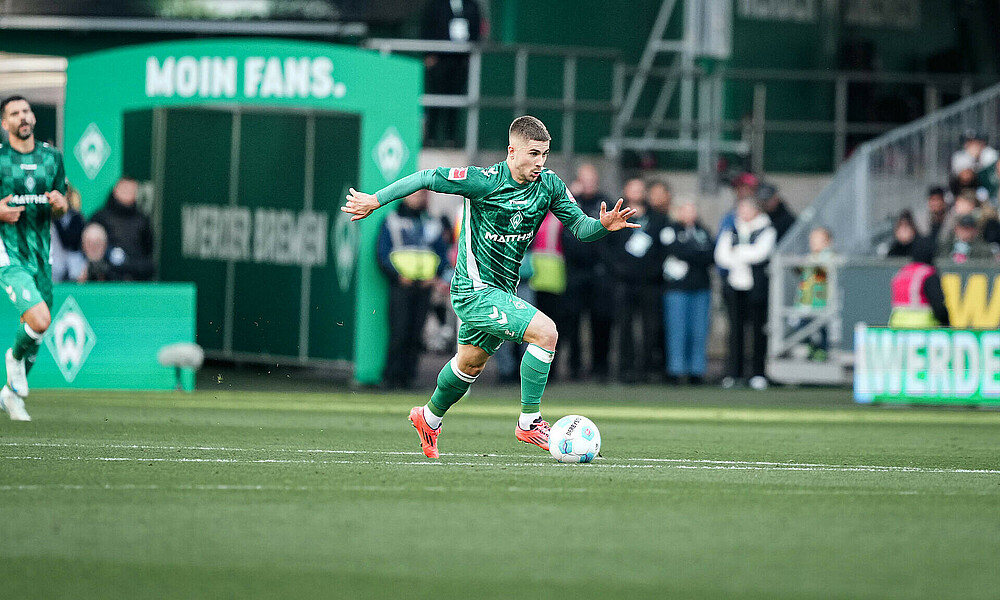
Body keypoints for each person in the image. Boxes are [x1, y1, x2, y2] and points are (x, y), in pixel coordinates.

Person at [342, 116, 639, 458]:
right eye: (533, 153)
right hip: (474, 291)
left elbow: (582, 229)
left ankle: (429, 416)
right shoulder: (483, 181)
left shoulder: (550, 186)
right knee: (547, 332)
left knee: (469, 364)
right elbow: (426, 177)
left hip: (504, 293)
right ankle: (529, 422)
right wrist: (375, 200)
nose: (540, 162)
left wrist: (602, 224)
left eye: (544, 154)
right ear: (512, 152)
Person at [0, 95, 69, 421]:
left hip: (43, 255)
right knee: (40, 320)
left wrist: (60, 204)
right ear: (5, 124)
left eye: (26, 111)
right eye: (14, 113)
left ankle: (10, 395)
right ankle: (12, 359)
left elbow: (64, 203)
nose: (22, 117)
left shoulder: (52, 157)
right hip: (9, 254)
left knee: (37, 332)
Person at [377, 190, 451, 389]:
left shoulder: (432, 223)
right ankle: (392, 377)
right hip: (401, 285)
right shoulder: (392, 221)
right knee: (399, 332)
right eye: (416, 195)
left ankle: (409, 377)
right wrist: (397, 276)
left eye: (423, 196)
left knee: (416, 333)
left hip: (424, 286)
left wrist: (435, 276)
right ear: (405, 196)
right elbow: (382, 253)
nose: (420, 199)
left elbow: (442, 255)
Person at [606, 178, 666, 383]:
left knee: (650, 326)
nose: (637, 192)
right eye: (633, 188)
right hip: (623, 281)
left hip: (650, 282)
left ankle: (647, 369)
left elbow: (663, 250)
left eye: (641, 189)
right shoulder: (615, 217)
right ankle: (625, 370)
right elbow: (606, 246)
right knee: (624, 327)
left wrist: (653, 271)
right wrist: (618, 268)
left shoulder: (657, 219)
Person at [714, 197, 776, 391]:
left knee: (758, 331)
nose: (743, 213)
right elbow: (722, 257)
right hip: (734, 286)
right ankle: (734, 373)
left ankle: (758, 373)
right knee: (735, 331)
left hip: (756, 288)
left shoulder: (766, 229)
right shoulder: (731, 229)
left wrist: (737, 252)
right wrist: (741, 255)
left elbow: (760, 254)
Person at [562, 163, 614, 381]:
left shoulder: (606, 202)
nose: (589, 183)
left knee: (601, 321)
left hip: (599, 274)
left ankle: (600, 368)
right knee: (572, 322)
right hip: (574, 272)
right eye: (585, 179)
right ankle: (574, 367)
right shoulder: (571, 203)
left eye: (592, 178)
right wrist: (571, 195)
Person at [660, 201, 713, 384]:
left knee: (699, 331)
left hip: (701, 287)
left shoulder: (702, 231)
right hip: (678, 288)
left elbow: (710, 254)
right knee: (677, 330)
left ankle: (696, 371)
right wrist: (696, 252)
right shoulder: (670, 229)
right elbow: (677, 250)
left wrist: (694, 252)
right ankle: (676, 370)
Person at [421, 0, 484, 147]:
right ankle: (430, 137)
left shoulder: (471, 5)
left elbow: (476, 30)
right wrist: (429, 53)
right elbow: (427, 26)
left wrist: (469, 55)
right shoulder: (436, 4)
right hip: (439, 58)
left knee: (456, 98)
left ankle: (451, 138)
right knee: (435, 97)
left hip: (460, 60)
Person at [88, 176, 155, 281]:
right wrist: (109, 253)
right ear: (115, 190)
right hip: (108, 268)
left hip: (134, 267)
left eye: (131, 190)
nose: (127, 193)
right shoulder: (101, 216)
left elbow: (148, 247)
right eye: (124, 189)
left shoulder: (142, 220)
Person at [889, 236, 949, 328]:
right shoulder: (928, 274)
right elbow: (939, 307)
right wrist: (947, 325)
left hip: (897, 327)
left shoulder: (902, 273)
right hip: (921, 329)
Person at [795, 227, 834, 361]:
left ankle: (823, 350)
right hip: (806, 301)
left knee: (822, 328)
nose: (815, 243)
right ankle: (812, 348)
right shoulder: (808, 257)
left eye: (819, 240)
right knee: (803, 327)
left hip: (821, 302)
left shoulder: (828, 257)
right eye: (813, 240)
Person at [50, 185, 86, 282]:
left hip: (73, 262)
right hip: (52, 262)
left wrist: (55, 217)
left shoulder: (75, 216)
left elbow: (69, 241)